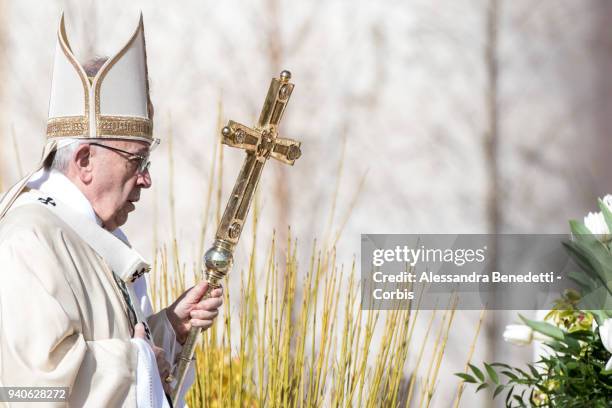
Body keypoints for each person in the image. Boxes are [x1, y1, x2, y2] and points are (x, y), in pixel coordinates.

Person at [0, 14, 221, 407]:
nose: (146, 179)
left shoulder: (95, 237)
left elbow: (114, 346)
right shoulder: (27, 239)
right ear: (84, 159)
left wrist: (169, 328)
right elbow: (22, 391)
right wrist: (137, 366)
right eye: (137, 161)